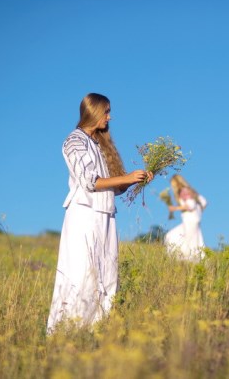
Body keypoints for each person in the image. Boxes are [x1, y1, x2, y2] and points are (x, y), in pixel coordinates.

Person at [47, 93, 153, 333]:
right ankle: (68, 333)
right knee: (82, 275)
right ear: (93, 111)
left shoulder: (100, 144)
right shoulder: (74, 141)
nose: (109, 116)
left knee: (107, 276)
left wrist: (136, 180)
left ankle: (97, 334)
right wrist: (125, 178)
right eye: (106, 111)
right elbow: (89, 181)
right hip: (84, 215)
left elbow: (114, 187)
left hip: (106, 217)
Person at [164, 174, 207, 262]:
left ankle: (181, 260)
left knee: (174, 237)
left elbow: (190, 205)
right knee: (193, 241)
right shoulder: (191, 190)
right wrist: (198, 212)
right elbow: (204, 202)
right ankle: (192, 260)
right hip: (193, 220)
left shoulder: (183, 191)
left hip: (189, 220)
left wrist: (175, 208)